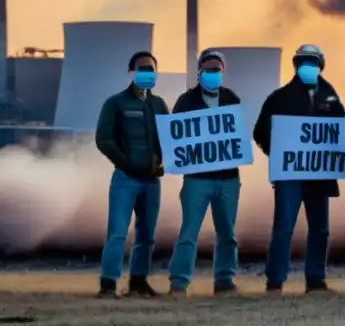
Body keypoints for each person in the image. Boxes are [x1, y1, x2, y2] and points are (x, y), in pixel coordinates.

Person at [254, 44, 345, 295]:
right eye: (303, 62)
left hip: (319, 176)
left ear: (321, 66)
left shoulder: (331, 96)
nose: (307, 66)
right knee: (284, 227)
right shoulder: (279, 97)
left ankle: (316, 281)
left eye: (312, 62)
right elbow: (260, 132)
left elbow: (343, 130)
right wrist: (279, 155)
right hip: (290, 176)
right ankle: (275, 282)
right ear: (295, 65)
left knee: (320, 228)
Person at [94, 51, 169, 298]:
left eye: (151, 69)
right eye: (142, 68)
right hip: (126, 178)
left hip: (152, 181)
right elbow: (104, 139)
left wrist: (166, 162)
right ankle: (108, 284)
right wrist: (127, 163)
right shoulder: (116, 103)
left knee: (147, 233)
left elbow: (170, 140)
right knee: (117, 231)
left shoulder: (158, 105)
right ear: (131, 72)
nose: (147, 73)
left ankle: (138, 281)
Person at [167, 50, 242, 296]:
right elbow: (174, 136)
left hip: (228, 178)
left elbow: (237, 136)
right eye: (208, 70)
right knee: (189, 232)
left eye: (217, 70)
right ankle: (179, 282)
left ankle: (225, 280)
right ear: (199, 72)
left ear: (223, 72)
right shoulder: (185, 101)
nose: (213, 75)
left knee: (227, 234)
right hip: (197, 179)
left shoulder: (231, 98)